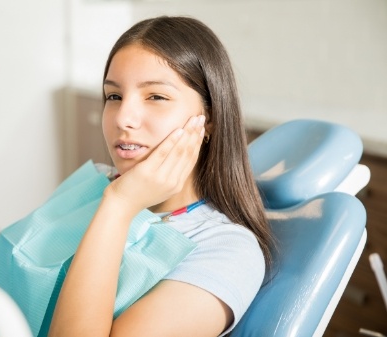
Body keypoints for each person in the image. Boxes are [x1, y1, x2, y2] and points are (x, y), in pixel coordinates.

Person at [49, 16, 273, 337]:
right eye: (114, 96)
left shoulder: (228, 251)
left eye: (155, 97)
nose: (124, 118)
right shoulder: (94, 182)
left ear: (207, 119)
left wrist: (119, 206)